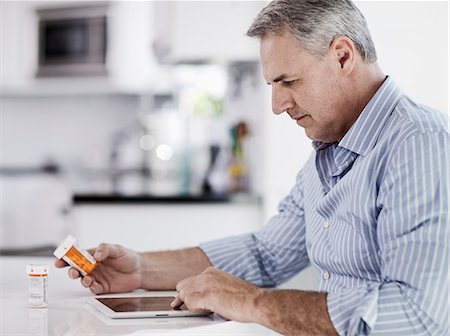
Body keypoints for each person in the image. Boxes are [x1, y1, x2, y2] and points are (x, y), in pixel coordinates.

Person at [56, 0, 449, 335]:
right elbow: (266, 254)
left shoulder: (419, 144)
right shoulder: (329, 151)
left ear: (342, 56)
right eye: (272, 86)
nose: (278, 105)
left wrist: (256, 303)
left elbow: (418, 316)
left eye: (288, 81)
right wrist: (142, 268)